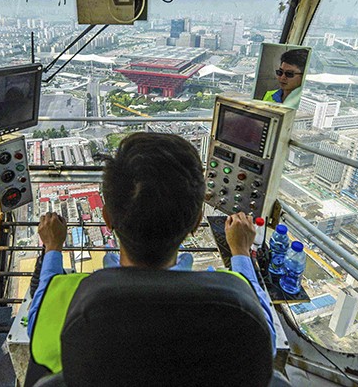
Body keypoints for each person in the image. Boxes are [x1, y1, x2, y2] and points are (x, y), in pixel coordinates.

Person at [26, 132, 276, 372]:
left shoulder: (72, 298)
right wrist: (241, 253)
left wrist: (52, 249)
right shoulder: (232, 301)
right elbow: (268, 341)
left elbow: (36, 326)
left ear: (107, 218)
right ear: (196, 221)